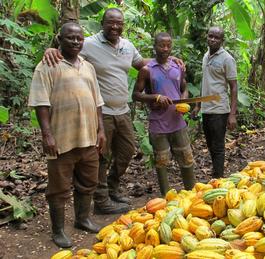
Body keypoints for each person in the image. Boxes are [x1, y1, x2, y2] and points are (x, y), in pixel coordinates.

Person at [43, 8, 184, 214]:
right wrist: (51, 50)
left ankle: (112, 187)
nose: (115, 26)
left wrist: (170, 60)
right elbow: (67, 53)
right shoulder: (88, 44)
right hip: (101, 111)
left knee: (127, 151)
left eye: (119, 23)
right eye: (110, 22)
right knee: (102, 155)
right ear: (102, 23)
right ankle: (101, 200)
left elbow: (141, 64)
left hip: (122, 109)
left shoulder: (127, 46)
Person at [28, 23, 105, 248]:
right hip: (61, 139)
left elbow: (98, 102)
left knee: (88, 182)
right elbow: (41, 103)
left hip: (88, 138)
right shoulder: (47, 65)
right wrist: (47, 135)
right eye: (70, 38)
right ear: (59, 39)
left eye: (79, 38)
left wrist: (101, 130)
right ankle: (58, 230)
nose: (75, 42)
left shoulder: (88, 66)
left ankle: (82, 219)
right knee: (59, 188)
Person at [132, 32, 196, 196]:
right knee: (162, 162)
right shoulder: (147, 70)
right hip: (158, 124)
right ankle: (166, 198)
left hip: (177, 122)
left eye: (168, 45)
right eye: (162, 45)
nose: (165, 48)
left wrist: (183, 100)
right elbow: (136, 95)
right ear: (155, 47)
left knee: (186, 158)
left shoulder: (177, 67)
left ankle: (192, 193)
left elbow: (184, 88)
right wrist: (156, 97)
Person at [191, 26, 238, 179]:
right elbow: (205, 82)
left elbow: (234, 87)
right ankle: (216, 173)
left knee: (218, 146)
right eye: (210, 36)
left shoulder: (227, 59)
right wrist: (197, 105)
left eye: (216, 37)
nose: (212, 39)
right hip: (206, 108)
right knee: (210, 144)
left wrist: (232, 115)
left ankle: (218, 178)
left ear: (222, 40)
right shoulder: (206, 56)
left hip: (219, 109)